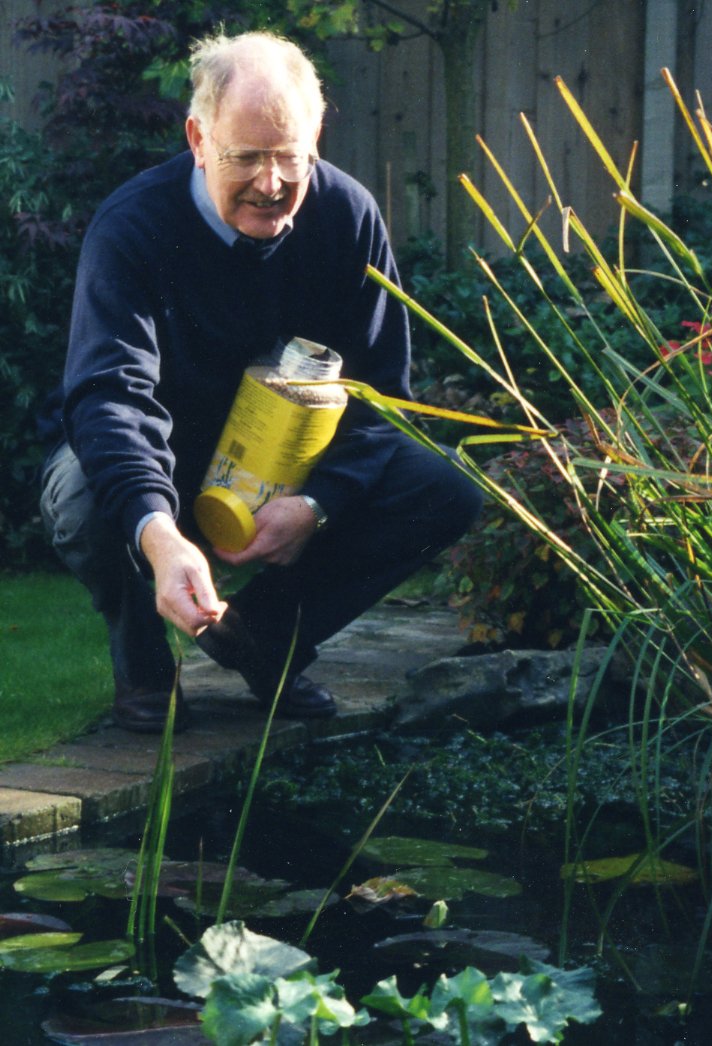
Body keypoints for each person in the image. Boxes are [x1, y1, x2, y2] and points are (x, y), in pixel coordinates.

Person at [39, 30, 482, 733]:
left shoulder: (348, 216)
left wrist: (318, 503)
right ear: (197, 138)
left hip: (290, 469)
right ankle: (143, 663)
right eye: (246, 158)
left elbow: (381, 395)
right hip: (170, 461)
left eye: (290, 158)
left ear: (316, 138)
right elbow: (110, 397)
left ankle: (265, 638)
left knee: (443, 488)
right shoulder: (132, 227)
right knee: (85, 493)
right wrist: (161, 536)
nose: (271, 184)